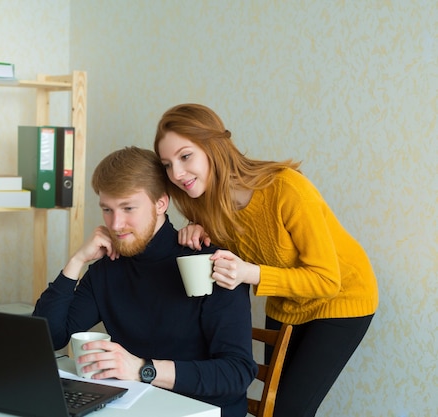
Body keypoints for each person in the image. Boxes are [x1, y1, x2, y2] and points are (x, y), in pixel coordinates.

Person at [154, 103, 379, 417]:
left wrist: (250, 273)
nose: (176, 174)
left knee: (290, 411)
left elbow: (327, 280)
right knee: (272, 409)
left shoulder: (286, 189)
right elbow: (228, 256)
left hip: (342, 297)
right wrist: (198, 232)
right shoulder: (200, 205)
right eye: (167, 164)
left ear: (213, 148)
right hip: (286, 303)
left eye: (185, 156)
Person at [33, 146, 257, 416]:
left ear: (161, 203)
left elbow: (236, 373)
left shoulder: (211, 264)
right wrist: (77, 261)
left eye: (128, 208)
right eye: (107, 209)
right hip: (134, 408)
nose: (116, 224)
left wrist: (143, 369)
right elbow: (49, 338)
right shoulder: (107, 269)